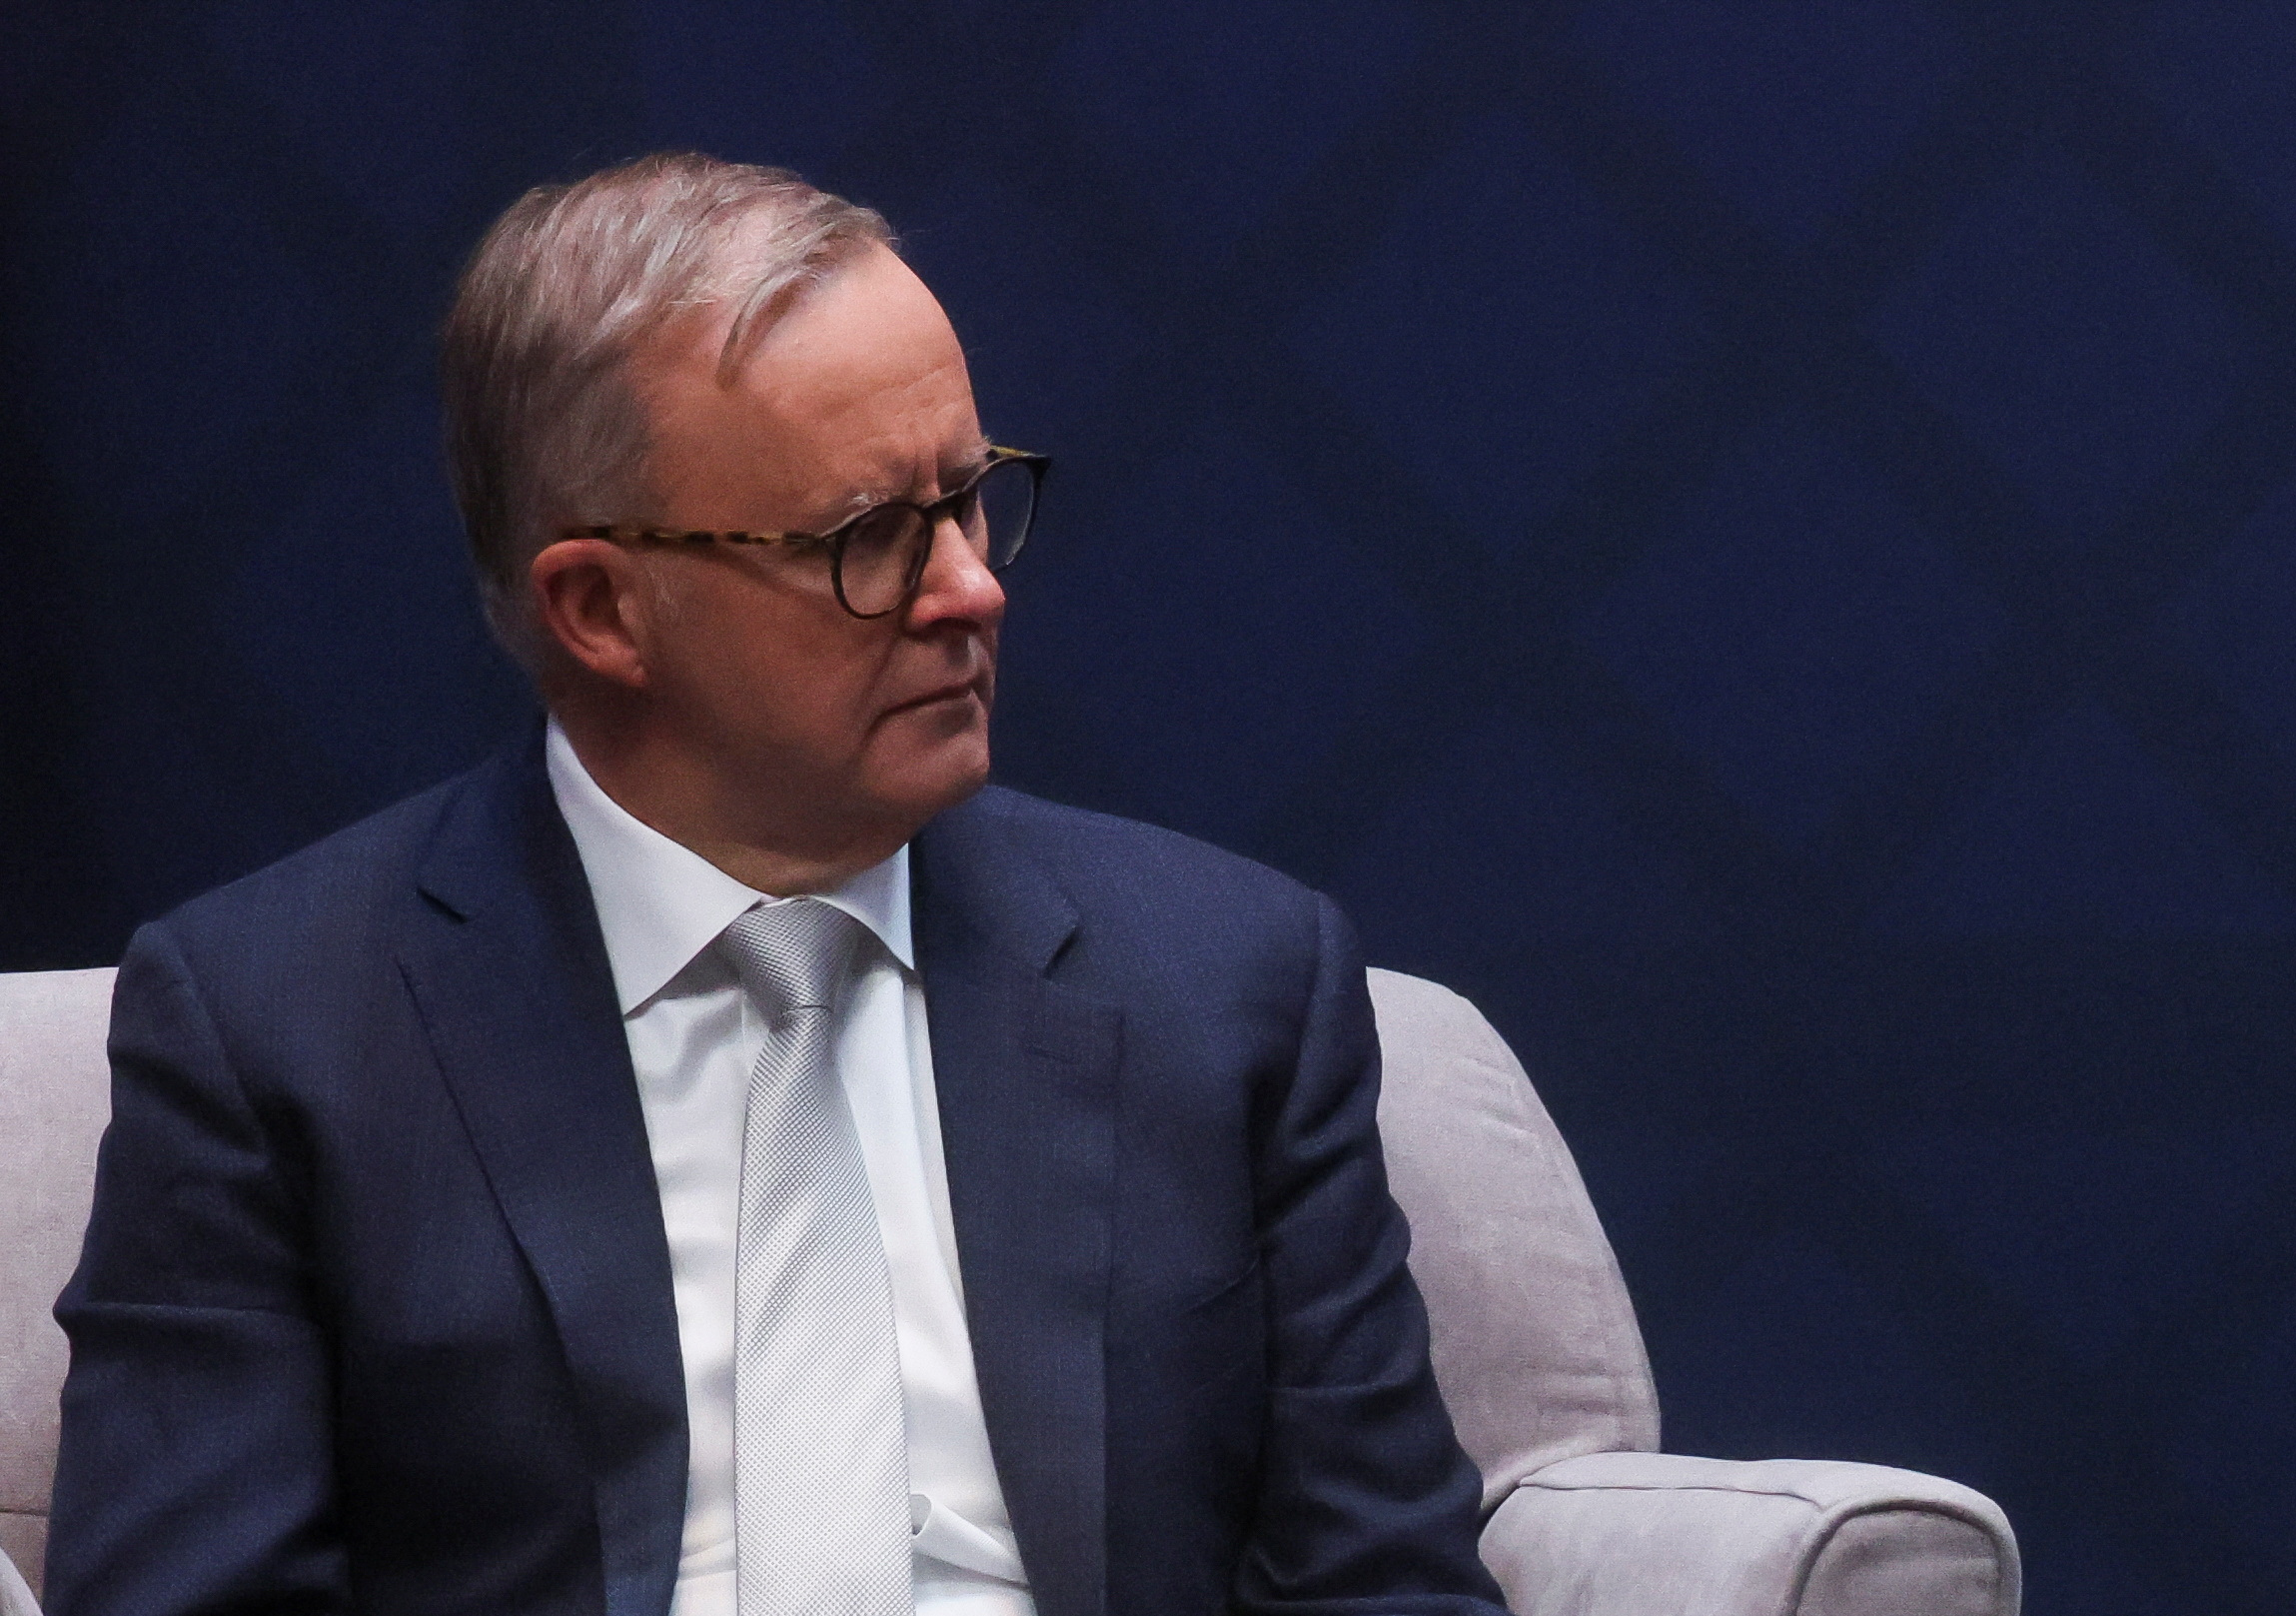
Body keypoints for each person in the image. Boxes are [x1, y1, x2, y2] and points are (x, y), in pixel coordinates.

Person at [45, 153, 1505, 1616]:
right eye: (868, 535)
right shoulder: (278, 1027)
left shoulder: (1229, 981)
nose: (968, 588)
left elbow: (1388, 1583)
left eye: (970, 496)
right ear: (603, 606)